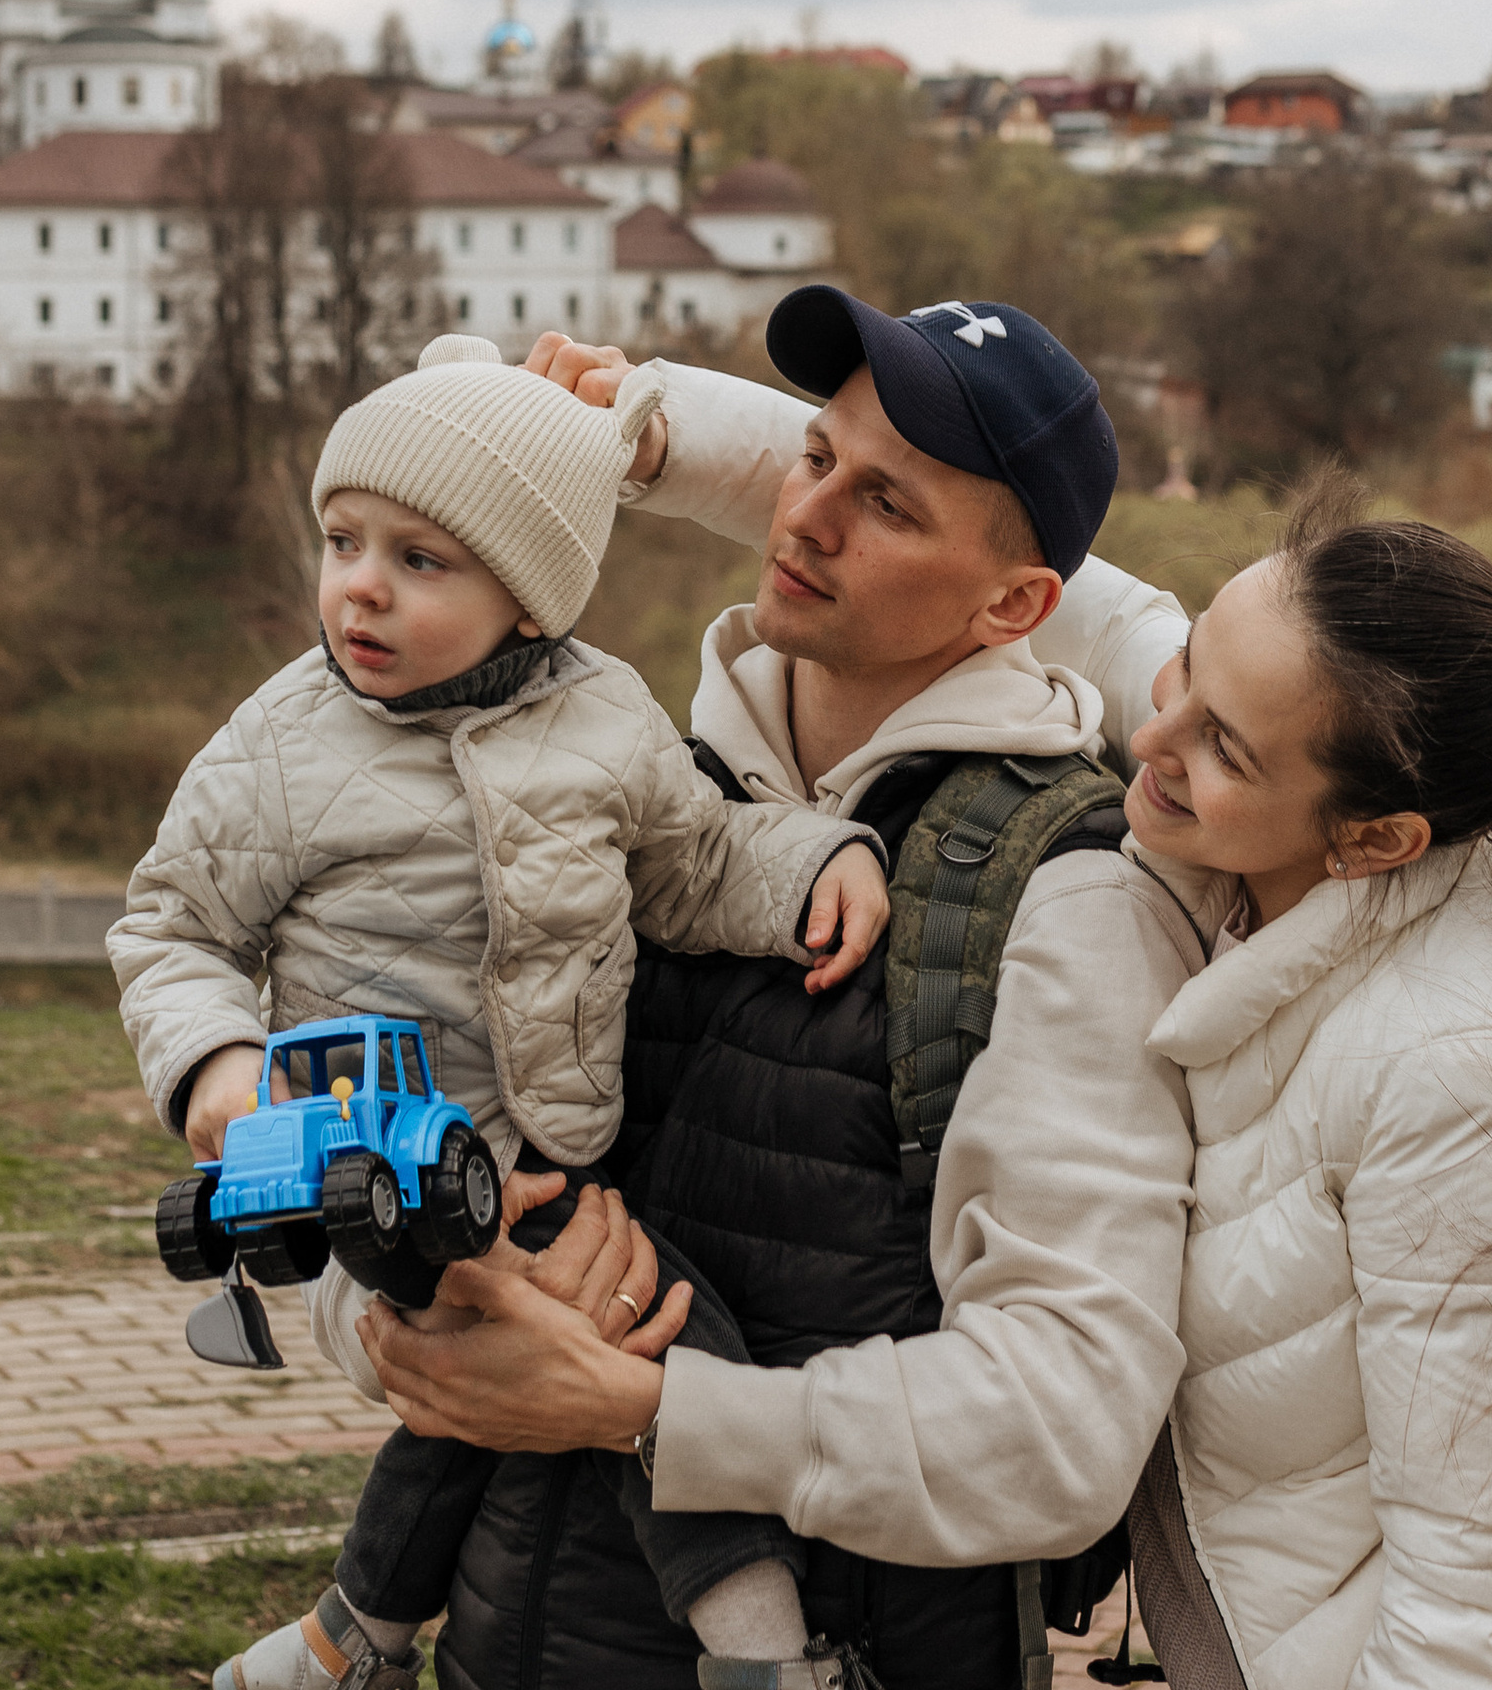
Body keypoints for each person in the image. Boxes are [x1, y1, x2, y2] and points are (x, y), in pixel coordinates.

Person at [383, 471, 1492, 1690]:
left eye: (1221, 746)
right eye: (1183, 670)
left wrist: (649, 1408)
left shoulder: (1463, 1080)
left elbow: (1482, 1614)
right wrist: (643, 426)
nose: (1147, 734)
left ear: (1373, 839)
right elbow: (964, 523)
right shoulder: (1294, 771)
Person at [343, 290, 1219, 1690]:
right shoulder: (610, 792)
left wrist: (644, 1410)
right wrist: (421, 1310)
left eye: (888, 504)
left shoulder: (1071, 893)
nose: (805, 518)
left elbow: (1063, 1428)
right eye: (815, 457)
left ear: (1015, 604)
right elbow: (384, 1165)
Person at [108, 333, 892, 1690]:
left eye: (421, 559)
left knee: (495, 1401)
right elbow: (173, 925)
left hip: (545, 1161)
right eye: (343, 540)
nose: (361, 585)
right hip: (371, 1169)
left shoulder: (604, 718)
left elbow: (692, 862)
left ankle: (346, 1643)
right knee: (662, 1335)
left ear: (530, 601)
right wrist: (218, 1067)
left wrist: (816, 861)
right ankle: (764, 1657)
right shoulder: (282, 743)